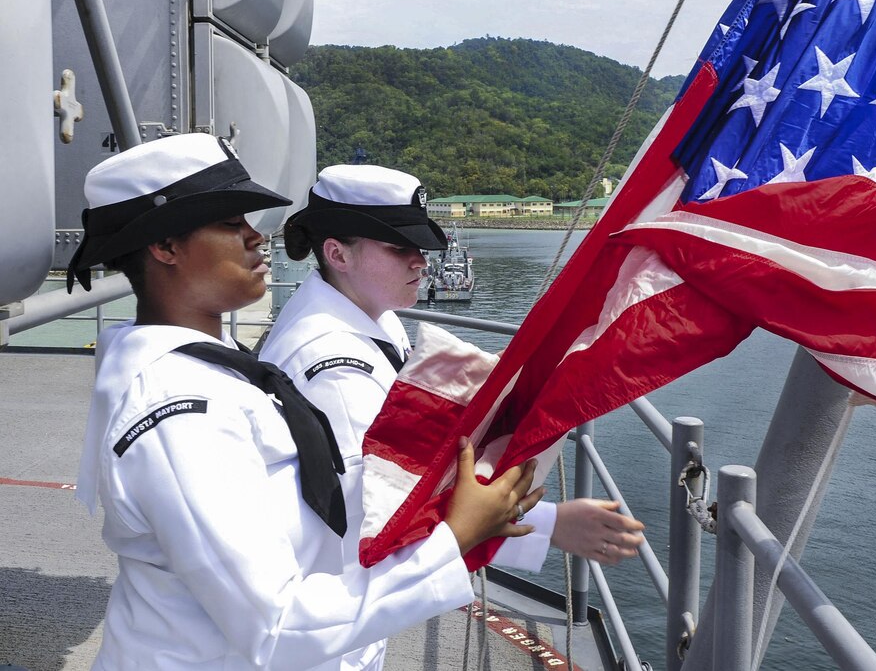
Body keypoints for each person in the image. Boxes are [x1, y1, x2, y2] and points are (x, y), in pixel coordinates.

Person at [68, 133, 543, 670]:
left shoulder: (217, 367)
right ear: (165, 247)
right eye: (231, 224)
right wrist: (454, 540)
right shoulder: (181, 413)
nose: (257, 239)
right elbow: (274, 624)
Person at [259, 164, 646, 670]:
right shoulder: (334, 371)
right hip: (332, 624)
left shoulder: (372, 319)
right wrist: (550, 525)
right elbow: (384, 513)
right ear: (337, 254)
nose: (422, 261)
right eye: (401, 249)